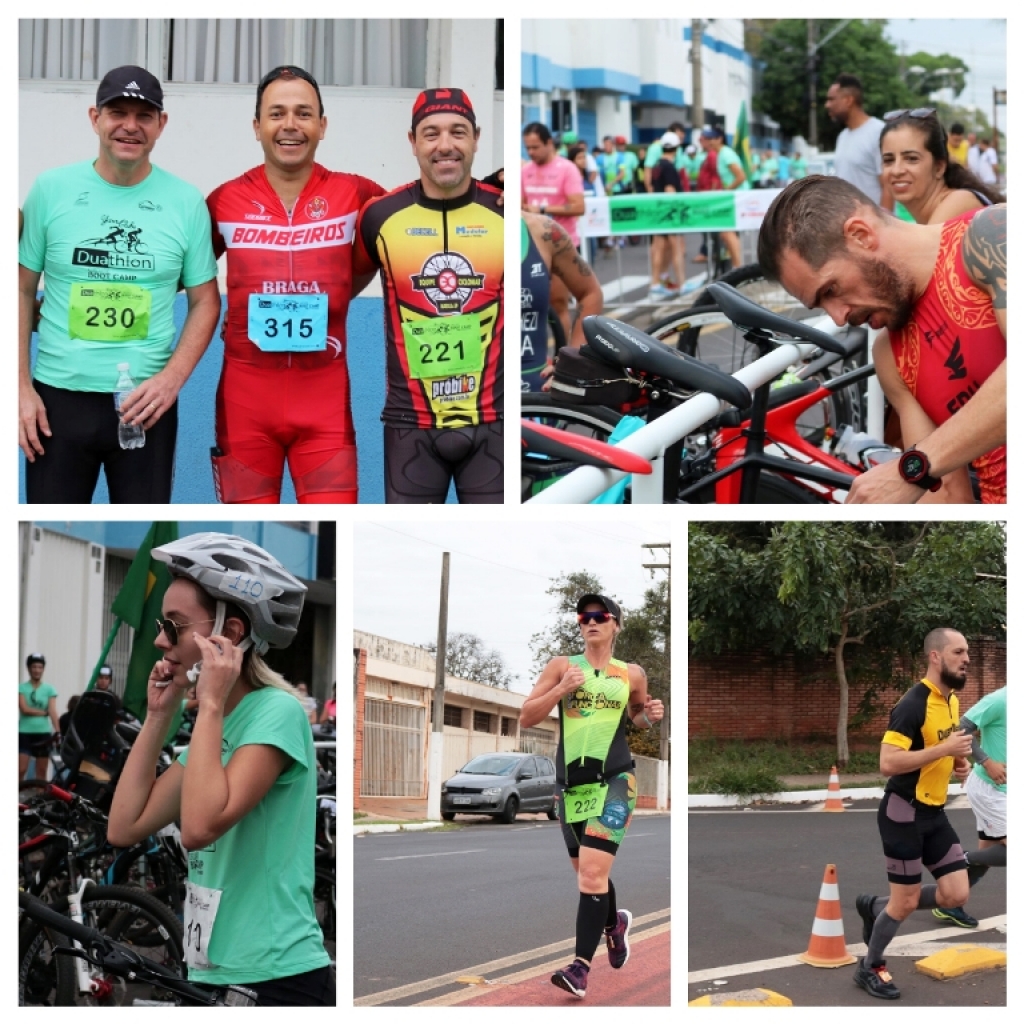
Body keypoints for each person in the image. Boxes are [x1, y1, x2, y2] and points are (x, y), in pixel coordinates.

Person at [107, 532, 333, 1006]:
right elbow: (124, 827)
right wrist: (158, 717)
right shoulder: (222, 724)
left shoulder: (277, 712)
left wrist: (209, 704)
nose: (159, 640)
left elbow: (199, 827)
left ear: (229, 634)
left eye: (173, 625)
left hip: (275, 974)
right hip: (209, 967)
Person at [18, 65, 220, 503]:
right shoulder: (51, 190)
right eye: (117, 113)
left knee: (148, 529)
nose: (130, 126)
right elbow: (19, 289)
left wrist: (171, 380)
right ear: (95, 118)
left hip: (145, 404)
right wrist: (18, 386)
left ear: (161, 125)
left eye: (144, 115)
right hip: (57, 400)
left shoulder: (185, 202)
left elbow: (206, 301)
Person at [756, 175, 1005, 503]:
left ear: (860, 235)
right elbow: (944, 495)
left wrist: (915, 467)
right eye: (821, 305)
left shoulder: (991, 235)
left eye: (831, 290)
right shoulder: (891, 356)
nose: (838, 317)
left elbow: (920, 472)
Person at [206, 66, 385, 504]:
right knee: (244, 535)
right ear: (257, 126)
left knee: (339, 530)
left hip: (324, 406)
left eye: (304, 114)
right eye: (277, 113)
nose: (290, 125)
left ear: (322, 126)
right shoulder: (224, 200)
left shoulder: (357, 194)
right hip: (245, 404)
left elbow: (423, 211)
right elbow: (173, 279)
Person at [355, 89, 503, 504]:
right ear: (412, 141)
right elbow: (339, 291)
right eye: (431, 133)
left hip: (495, 421)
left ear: (476, 137)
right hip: (410, 425)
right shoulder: (380, 216)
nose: (445, 145)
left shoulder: (508, 211)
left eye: (458, 132)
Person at [520, 594, 664, 1000]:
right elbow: (527, 715)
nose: (591, 621)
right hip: (571, 786)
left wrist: (649, 715)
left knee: (591, 875)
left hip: (616, 780)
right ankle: (613, 923)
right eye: (585, 616)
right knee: (588, 874)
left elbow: (637, 716)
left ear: (615, 624)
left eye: (600, 616)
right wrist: (561, 689)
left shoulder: (631, 673)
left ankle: (580, 969)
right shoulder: (563, 667)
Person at [853, 628, 975, 999]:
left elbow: (941, 741)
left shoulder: (950, 700)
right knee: (904, 902)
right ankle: (870, 967)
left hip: (935, 813)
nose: (966, 658)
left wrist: (957, 759)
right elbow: (888, 762)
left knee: (955, 894)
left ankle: (877, 907)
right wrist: (944, 750)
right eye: (959, 651)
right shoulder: (912, 703)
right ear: (936, 657)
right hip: (902, 813)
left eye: (967, 652)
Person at [521, 211, 604, 391]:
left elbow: (590, 292)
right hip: (465, 398)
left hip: (534, 393)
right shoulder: (448, 230)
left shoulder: (541, 230)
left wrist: (573, 364)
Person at [880, 110, 1004, 227]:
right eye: (888, 160)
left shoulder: (958, 202)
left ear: (939, 167)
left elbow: (924, 246)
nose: (896, 170)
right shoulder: (927, 218)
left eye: (912, 159)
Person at [522, 123, 585, 343]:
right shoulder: (525, 171)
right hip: (531, 248)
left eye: (536, 147)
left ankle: (564, 356)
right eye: (527, 148)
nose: (531, 152)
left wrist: (542, 210)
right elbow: (520, 204)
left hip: (560, 246)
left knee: (559, 305)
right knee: (534, 306)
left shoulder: (567, 168)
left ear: (549, 143)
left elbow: (579, 206)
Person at [825, 73, 894, 210]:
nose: (827, 105)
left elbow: (888, 186)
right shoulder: (843, 136)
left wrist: (882, 226)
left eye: (832, 99)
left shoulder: (878, 132)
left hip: (872, 227)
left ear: (848, 100)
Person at [648, 132, 689, 300]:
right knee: (677, 247)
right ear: (677, 148)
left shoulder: (657, 165)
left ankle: (657, 283)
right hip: (669, 213)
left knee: (659, 247)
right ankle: (682, 283)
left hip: (659, 211)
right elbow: (670, 192)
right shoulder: (669, 167)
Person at [700, 127, 746, 270]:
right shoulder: (719, 154)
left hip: (738, 196)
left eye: (711, 139)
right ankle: (736, 265)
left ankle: (738, 267)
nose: (708, 142)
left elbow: (741, 177)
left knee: (727, 232)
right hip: (731, 196)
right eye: (706, 139)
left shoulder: (726, 154)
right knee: (726, 233)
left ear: (720, 139)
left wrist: (726, 191)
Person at [20, 653, 60, 781]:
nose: (37, 670)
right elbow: (24, 709)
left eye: (40, 667)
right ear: (29, 668)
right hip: (24, 733)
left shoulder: (49, 689)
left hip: (43, 733)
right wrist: (44, 712)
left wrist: (59, 731)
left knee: (41, 772)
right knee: (20, 769)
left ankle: (40, 800)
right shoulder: (21, 688)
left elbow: (52, 710)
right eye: (34, 667)